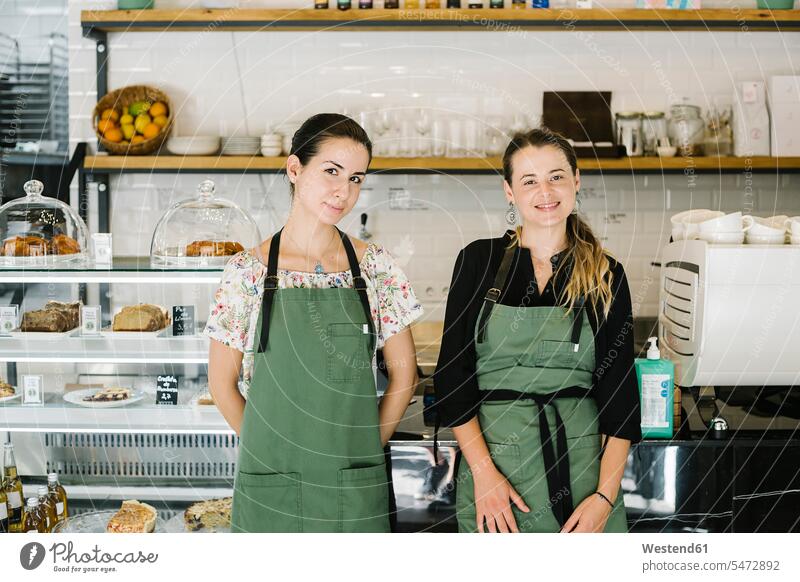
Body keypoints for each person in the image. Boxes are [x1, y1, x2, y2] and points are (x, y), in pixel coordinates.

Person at [205, 113, 424, 532]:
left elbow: (404, 375)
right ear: (294, 168)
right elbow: (221, 384)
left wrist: (364, 446)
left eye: (357, 178)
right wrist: (266, 451)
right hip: (271, 484)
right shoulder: (247, 272)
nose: (344, 192)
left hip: (354, 484)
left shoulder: (376, 268)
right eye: (331, 172)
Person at [434, 127, 642, 533]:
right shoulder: (479, 261)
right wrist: (484, 475)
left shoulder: (606, 274)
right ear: (509, 191)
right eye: (529, 180)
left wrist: (604, 497)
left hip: (585, 477)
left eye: (556, 176)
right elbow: (453, 380)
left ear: (576, 181)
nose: (545, 190)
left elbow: (620, 398)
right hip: (497, 477)